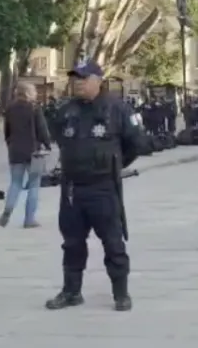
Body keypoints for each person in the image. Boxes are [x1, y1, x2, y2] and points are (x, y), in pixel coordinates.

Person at [45, 59, 142, 312]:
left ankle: (121, 293)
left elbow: (136, 144)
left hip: (102, 187)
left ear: (98, 81)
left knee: (112, 242)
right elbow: (59, 138)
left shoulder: (117, 109)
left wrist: (114, 163)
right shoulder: (67, 110)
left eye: (84, 78)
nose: (78, 82)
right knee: (72, 242)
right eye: (75, 78)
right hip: (72, 188)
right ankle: (71, 291)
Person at [0, 82, 52, 228]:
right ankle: (29, 219)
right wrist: (48, 144)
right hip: (33, 151)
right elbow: (42, 129)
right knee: (34, 184)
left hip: (15, 150)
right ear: (29, 92)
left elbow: (7, 131)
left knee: (15, 183)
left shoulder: (10, 108)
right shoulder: (34, 108)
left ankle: (8, 208)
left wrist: (10, 144)